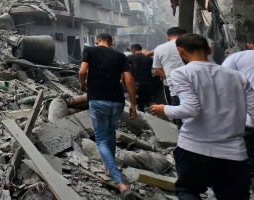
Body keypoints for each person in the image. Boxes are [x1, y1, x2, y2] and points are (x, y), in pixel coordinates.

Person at [150, 34, 254, 199]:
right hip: (233, 154)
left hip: (194, 149)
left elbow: (191, 109)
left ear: (181, 51)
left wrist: (165, 109)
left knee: (188, 191)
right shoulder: (237, 76)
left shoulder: (181, 73)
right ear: (209, 50)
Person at [79, 33, 137, 200]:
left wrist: (83, 86)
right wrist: (133, 104)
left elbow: (82, 71)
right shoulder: (120, 55)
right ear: (111, 43)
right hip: (117, 102)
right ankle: (108, 168)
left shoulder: (89, 50)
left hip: (98, 101)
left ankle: (120, 184)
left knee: (102, 139)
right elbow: (129, 80)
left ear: (97, 41)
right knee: (111, 134)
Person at [222, 33, 254, 191]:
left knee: (251, 161)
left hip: (249, 119)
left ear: (250, 45)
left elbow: (223, 86)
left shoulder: (237, 58)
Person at [127, 44, 158, 112]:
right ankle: (160, 112)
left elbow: (125, 69)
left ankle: (141, 115)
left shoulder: (131, 57)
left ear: (133, 50)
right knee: (148, 100)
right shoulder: (149, 58)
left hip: (137, 83)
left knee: (139, 101)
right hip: (149, 82)